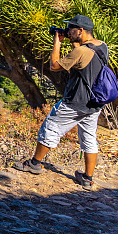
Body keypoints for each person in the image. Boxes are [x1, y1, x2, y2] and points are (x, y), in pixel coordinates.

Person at [12, 14, 108, 190]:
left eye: (71, 29)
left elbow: (54, 66)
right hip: (94, 104)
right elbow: (84, 62)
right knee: (89, 138)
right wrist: (73, 41)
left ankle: (34, 163)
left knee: (51, 127)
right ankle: (87, 178)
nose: (68, 31)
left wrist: (57, 41)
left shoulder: (81, 51)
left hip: (75, 103)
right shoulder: (101, 46)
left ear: (80, 31)